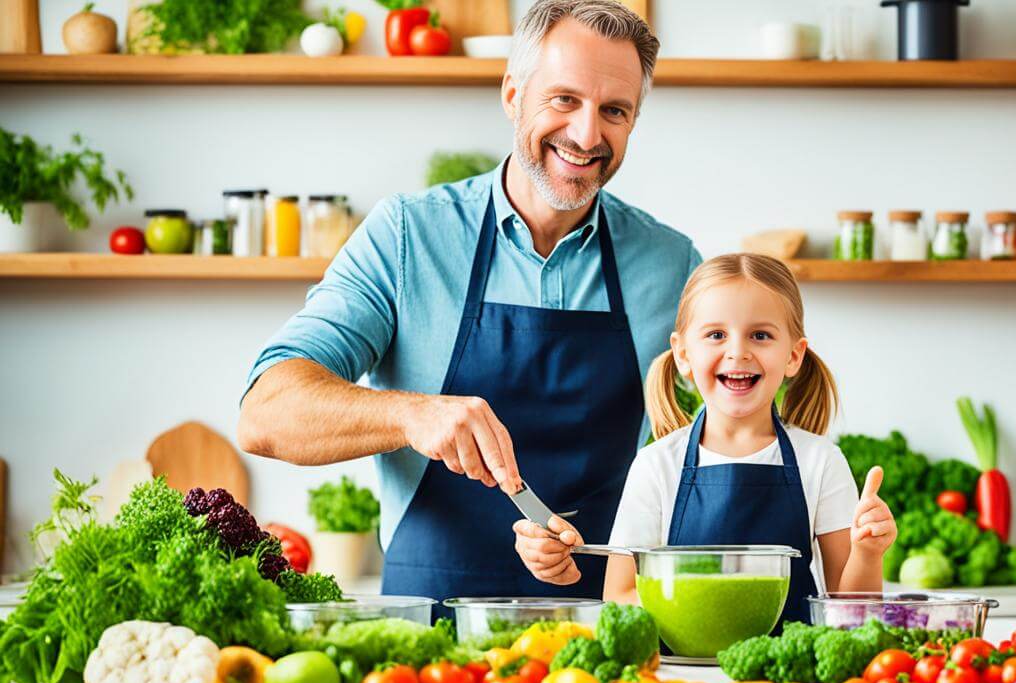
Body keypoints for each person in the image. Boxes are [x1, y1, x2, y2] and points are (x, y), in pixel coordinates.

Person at [238, 0, 699, 607]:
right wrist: (411, 416)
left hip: (607, 639)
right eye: (564, 99)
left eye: (614, 110)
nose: (587, 135)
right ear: (513, 95)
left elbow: (734, 430)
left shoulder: (672, 264)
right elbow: (265, 413)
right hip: (429, 645)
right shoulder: (408, 236)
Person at [514, 253, 895, 625]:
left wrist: (867, 553)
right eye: (716, 334)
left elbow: (853, 615)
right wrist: (709, 616)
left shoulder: (821, 461)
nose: (738, 352)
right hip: (681, 682)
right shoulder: (656, 465)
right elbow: (620, 597)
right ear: (683, 354)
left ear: (793, 356)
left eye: (760, 335)